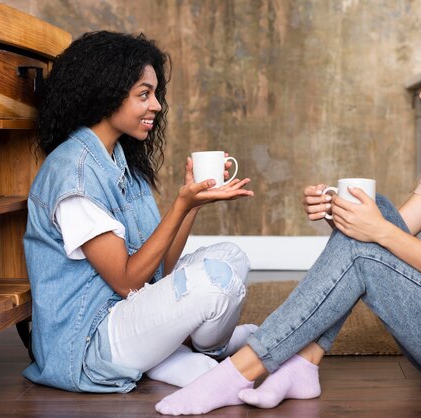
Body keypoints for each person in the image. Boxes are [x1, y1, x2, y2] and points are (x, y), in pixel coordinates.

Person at [154, 21, 421, 415]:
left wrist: (373, 229)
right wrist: (336, 212)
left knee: (373, 237)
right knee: (378, 216)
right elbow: (385, 234)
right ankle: (304, 363)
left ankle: (239, 372)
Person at [23, 31, 256, 393]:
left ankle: (198, 350)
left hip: (128, 310)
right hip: (89, 342)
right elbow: (129, 282)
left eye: (155, 95)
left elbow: (160, 268)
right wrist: (180, 205)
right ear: (106, 96)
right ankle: (186, 353)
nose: (157, 106)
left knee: (232, 257)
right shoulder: (75, 175)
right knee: (214, 283)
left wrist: (193, 204)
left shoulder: (119, 159)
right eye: (143, 95)